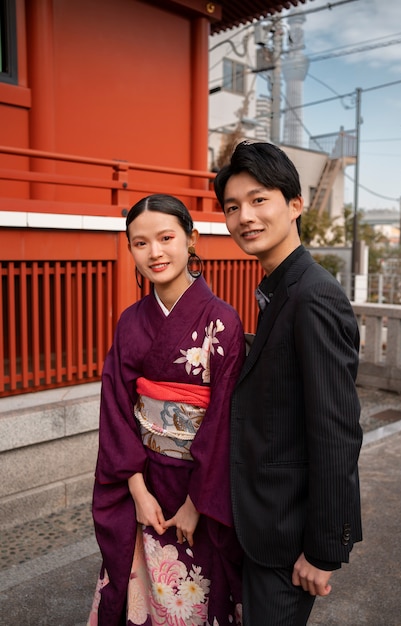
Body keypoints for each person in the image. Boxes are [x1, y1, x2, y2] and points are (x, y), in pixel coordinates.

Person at [213, 141, 363, 626]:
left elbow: (336, 432)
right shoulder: (280, 289)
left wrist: (323, 552)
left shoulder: (313, 296)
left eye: (259, 200)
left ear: (295, 205)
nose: (245, 217)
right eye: (232, 207)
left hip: (288, 540)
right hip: (263, 526)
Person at [87, 194, 246, 626]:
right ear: (130, 250)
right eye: (140, 243)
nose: (154, 252)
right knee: (140, 596)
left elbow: (225, 419)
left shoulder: (223, 323)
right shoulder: (130, 322)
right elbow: (116, 409)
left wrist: (198, 502)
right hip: (145, 482)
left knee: (195, 598)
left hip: (200, 487)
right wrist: (136, 491)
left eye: (166, 237)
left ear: (191, 239)